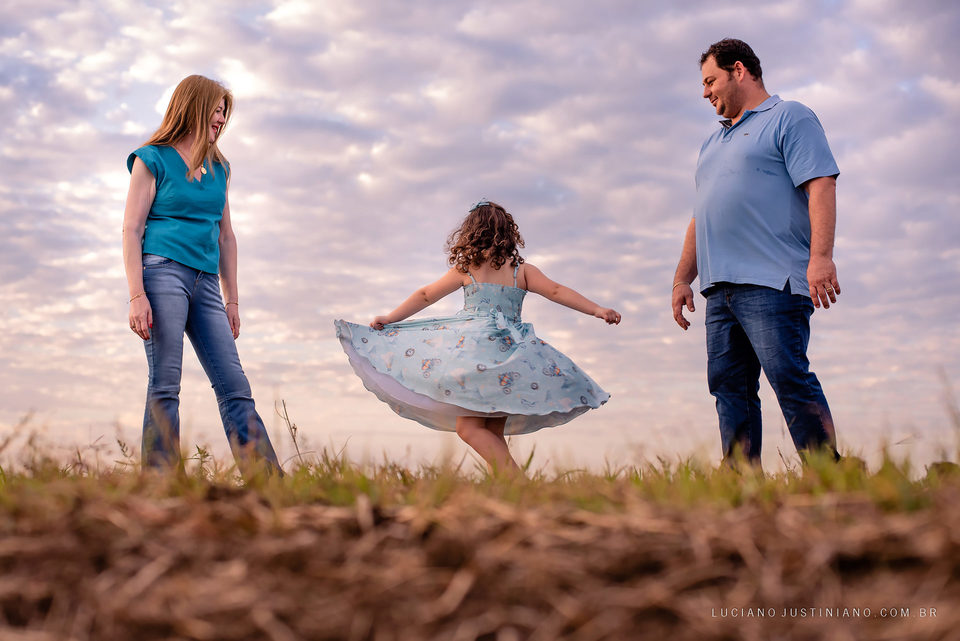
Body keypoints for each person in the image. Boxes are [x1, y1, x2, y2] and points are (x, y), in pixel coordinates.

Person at [335, 201, 621, 473]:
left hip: (475, 352)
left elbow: (425, 295)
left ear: (470, 234)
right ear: (509, 234)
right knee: (490, 431)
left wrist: (391, 317)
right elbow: (557, 291)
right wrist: (596, 309)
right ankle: (506, 486)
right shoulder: (522, 271)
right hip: (511, 355)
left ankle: (513, 479)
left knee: (468, 428)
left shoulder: (467, 269)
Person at [671, 39, 841, 467]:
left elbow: (820, 184)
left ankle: (828, 473)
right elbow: (700, 216)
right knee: (729, 387)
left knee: (788, 376)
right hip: (718, 288)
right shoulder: (710, 145)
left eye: (710, 80)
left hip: (772, 280)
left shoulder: (790, 117)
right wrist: (681, 278)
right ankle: (741, 479)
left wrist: (820, 256)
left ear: (739, 71)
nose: (705, 92)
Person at [122, 74, 282, 476]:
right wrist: (136, 294)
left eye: (225, 114)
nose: (221, 119)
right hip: (162, 274)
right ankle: (161, 481)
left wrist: (232, 299)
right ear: (194, 106)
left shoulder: (220, 167)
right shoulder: (151, 158)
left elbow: (226, 236)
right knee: (165, 384)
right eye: (216, 110)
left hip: (206, 283)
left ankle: (268, 483)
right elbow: (131, 229)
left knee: (234, 385)